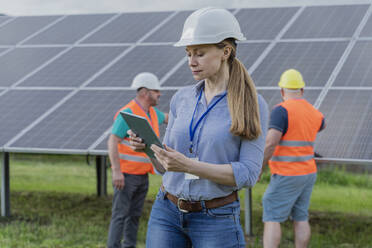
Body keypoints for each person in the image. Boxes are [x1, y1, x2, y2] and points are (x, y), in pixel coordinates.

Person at [127, 7, 269, 248]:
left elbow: (248, 174)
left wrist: (189, 165)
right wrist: (149, 149)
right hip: (167, 212)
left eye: (200, 54)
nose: (191, 62)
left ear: (225, 51)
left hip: (217, 219)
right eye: (188, 54)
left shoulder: (252, 104)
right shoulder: (181, 99)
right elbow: (166, 168)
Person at [260, 69, 326, 248]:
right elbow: (321, 125)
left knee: (272, 214)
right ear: (302, 91)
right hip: (308, 173)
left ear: (282, 91)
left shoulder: (281, 111)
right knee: (301, 217)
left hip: (287, 173)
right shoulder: (314, 112)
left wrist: (260, 168)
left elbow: (270, 142)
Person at [107, 72, 168, 248]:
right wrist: (116, 171)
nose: (159, 94)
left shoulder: (153, 113)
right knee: (120, 215)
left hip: (142, 175)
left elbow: (169, 117)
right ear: (144, 93)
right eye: (156, 91)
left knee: (134, 216)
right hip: (125, 175)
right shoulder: (127, 113)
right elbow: (112, 141)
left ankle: (129, 246)